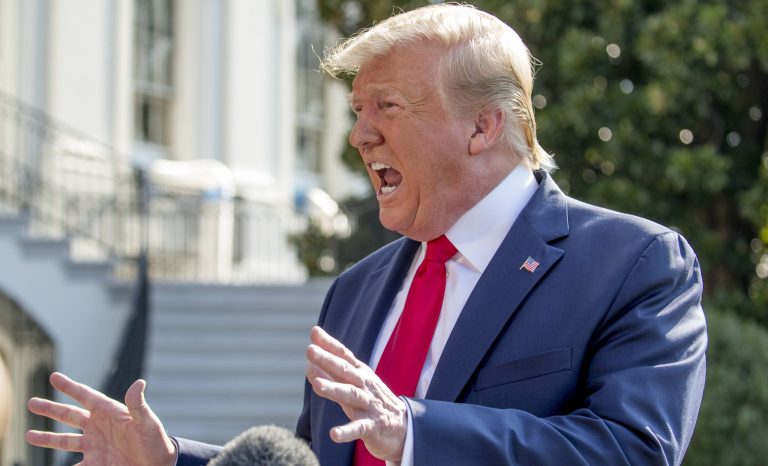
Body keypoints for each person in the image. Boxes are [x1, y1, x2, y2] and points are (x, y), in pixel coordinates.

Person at [27, 3, 707, 466]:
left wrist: (414, 431)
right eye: (357, 110)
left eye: (388, 106)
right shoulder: (356, 292)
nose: (358, 134)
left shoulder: (634, 264)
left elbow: (632, 450)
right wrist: (177, 460)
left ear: (483, 127)